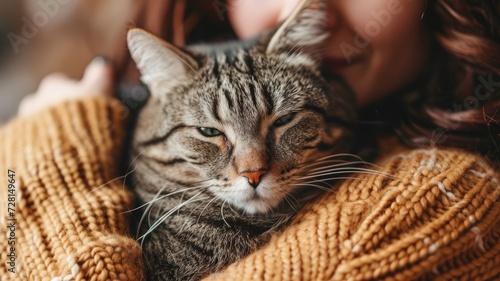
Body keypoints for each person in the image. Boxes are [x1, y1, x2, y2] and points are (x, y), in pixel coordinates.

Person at [1, 0, 498, 280]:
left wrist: (40, 161)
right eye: (210, 132)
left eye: (283, 122)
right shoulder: (138, 128)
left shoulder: (447, 194)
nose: (253, 168)